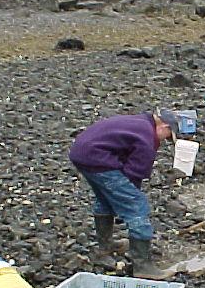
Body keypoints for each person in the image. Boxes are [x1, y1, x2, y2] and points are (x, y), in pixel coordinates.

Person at [68, 110, 180, 279]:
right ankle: (143, 266)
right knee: (137, 206)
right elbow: (134, 174)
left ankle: (105, 247)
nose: (165, 140)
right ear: (164, 126)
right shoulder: (147, 138)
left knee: (104, 198)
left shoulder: (141, 121)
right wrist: (129, 199)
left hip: (82, 153)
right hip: (97, 158)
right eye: (168, 135)